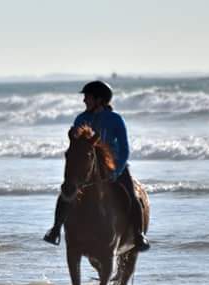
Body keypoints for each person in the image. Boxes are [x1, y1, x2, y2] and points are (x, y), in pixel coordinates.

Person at [43, 80, 150, 252]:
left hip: (114, 167)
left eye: (88, 97)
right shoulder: (81, 118)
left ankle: (138, 235)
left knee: (131, 195)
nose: (84, 100)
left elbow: (124, 148)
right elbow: (76, 147)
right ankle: (55, 230)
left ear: (100, 99)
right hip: (87, 168)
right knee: (65, 193)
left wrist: (117, 170)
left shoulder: (115, 120)